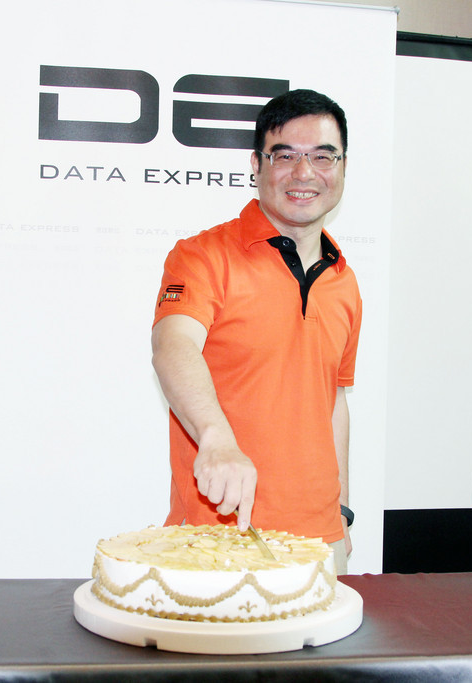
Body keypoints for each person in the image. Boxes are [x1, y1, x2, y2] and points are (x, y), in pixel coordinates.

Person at [151, 89, 361, 573]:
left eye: (322, 156)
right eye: (284, 156)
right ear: (256, 165)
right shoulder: (203, 256)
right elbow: (173, 345)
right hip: (219, 535)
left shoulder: (344, 280)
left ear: (343, 167)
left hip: (321, 542)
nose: (304, 173)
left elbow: (334, 401)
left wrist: (343, 510)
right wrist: (216, 439)